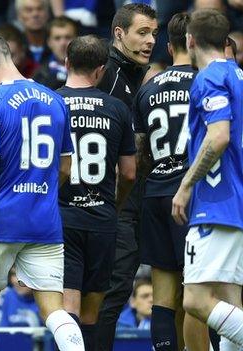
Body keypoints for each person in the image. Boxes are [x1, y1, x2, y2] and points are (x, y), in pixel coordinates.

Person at [0, 33, 84, 351]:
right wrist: (40, 194)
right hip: (44, 221)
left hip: (0, 219)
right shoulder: (56, 100)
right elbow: (66, 167)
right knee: (55, 310)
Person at [133, 13, 208, 351]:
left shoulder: (147, 89)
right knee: (198, 292)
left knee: (163, 296)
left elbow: (140, 151)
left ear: (168, 44)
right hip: (191, 194)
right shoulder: (206, 82)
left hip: (155, 192)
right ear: (195, 42)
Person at [56, 35, 137, 351]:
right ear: (101, 70)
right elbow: (129, 173)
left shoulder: (51, 102)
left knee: (68, 310)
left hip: (62, 219)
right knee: (91, 316)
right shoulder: (117, 108)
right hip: (102, 218)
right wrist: (113, 205)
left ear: (66, 62)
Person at [171, 9, 243, 350]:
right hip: (238, 203)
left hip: (215, 204)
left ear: (190, 41)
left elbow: (218, 137)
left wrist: (185, 185)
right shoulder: (239, 76)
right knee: (230, 303)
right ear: (227, 42)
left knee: (196, 301)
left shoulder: (208, 77)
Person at [95, 5, 157, 350]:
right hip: (112, 202)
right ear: (119, 34)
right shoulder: (110, 76)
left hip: (126, 201)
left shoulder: (132, 76)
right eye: (142, 33)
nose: (150, 41)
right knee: (110, 292)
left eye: (154, 34)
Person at [33, 16, 78, 90]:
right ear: (49, 43)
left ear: (77, 40)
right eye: (57, 38)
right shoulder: (40, 74)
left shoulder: (90, 70)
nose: (63, 43)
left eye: (68, 37)